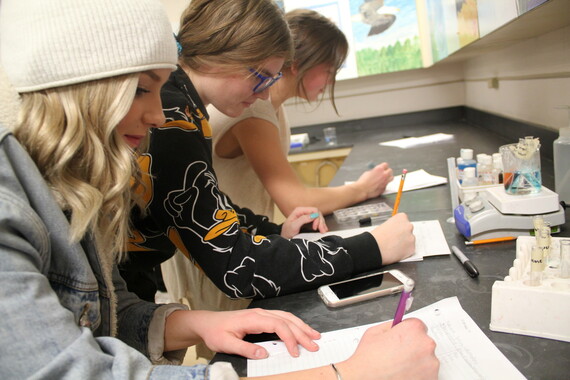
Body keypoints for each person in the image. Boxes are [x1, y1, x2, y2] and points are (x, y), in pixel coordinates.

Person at [125, 0, 416, 318]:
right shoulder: (174, 117)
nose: (264, 94)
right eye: (261, 77)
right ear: (229, 53)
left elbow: (208, 199)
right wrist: (372, 247)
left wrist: (274, 231)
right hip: (121, 294)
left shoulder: (188, 107)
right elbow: (237, 265)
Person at [210, 9, 394, 220]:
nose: (332, 80)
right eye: (329, 70)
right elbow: (297, 203)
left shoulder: (270, 107)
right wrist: (363, 188)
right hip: (223, 244)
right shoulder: (254, 110)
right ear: (297, 64)